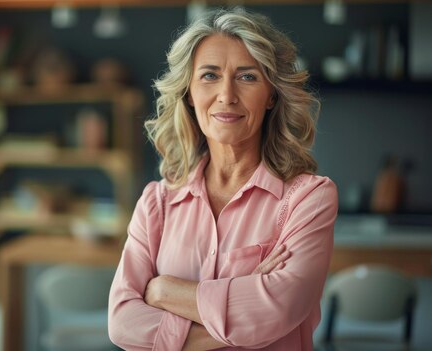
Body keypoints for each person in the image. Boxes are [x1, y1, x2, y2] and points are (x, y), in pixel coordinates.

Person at [108, 7, 338, 351]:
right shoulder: (157, 203)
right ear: (188, 92)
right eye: (209, 76)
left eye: (247, 77)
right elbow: (122, 323)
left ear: (271, 94)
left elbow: (277, 309)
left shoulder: (309, 199)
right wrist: (241, 308)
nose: (227, 95)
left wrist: (163, 291)